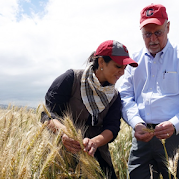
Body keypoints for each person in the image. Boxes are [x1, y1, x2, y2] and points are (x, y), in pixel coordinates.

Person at [118, 4, 179, 179]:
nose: (153, 39)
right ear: (141, 33)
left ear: (168, 27)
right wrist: (136, 122)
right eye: (147, 34)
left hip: (178, 138)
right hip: (142, 138)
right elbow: (125, 96)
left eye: (158, 32)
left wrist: (175, 124)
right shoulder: (134, 62)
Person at [41, 40, 138, 179]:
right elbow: (48, 115)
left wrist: (94, 142)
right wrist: (64, 133)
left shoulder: (114, 96)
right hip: (61, 157)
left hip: (96, 159)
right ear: (101, 62)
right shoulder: (71, 79)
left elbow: (112, 127)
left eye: (125, 67)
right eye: (118, 66)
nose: (122, 72)